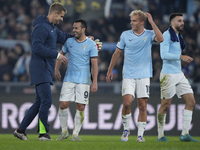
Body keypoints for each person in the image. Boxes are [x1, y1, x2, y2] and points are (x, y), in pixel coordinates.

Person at [13, 2, 73, 141]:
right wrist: (57, 54)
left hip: (44, 68)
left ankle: (20, 130)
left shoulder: (51, 29)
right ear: (54, 14)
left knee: (39, 102)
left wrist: (83, 38)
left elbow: (64, 37)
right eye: (61, 16)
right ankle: (43, 134)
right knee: (47, 100)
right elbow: (37, 48)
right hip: (40, 68)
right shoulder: (41, 28)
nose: (62, 19)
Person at [106, 10, 163, 142]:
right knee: (126, 103)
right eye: (131, 20)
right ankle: (126, 130)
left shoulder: (149, 34)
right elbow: (116, 53)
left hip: (144, 75)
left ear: (142, 22)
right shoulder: (125, 35)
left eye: (134, 21)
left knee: (142, 105)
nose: (131, 23)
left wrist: (152, 22)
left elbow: (160, 39)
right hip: (128, 75)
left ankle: (140, 135)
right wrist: (110, 70)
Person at [157, 13, 199, 142]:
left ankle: (185, 134)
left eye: (183, 21)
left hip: (179, 74)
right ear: (172, 23)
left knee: (191, 102)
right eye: (179, 21)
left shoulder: (178, 36)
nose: (182, 23)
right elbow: (163, 55)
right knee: (165, 105)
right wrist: (181, 57)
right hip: (168, 75)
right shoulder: (166, 35)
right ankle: (160, 135)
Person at [54, 19, 98, 141]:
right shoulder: (69, 42)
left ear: (83, 29)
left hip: (84, 80)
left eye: (76, 28)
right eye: (73, 28)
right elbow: (61, 55)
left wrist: (94, 81)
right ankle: (64, 132)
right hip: (69, 78)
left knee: (81, 106)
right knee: (63, 104)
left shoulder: (91, 44)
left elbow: (94, 65)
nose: (74, 30)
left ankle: (75, 134)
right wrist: (56, 69)